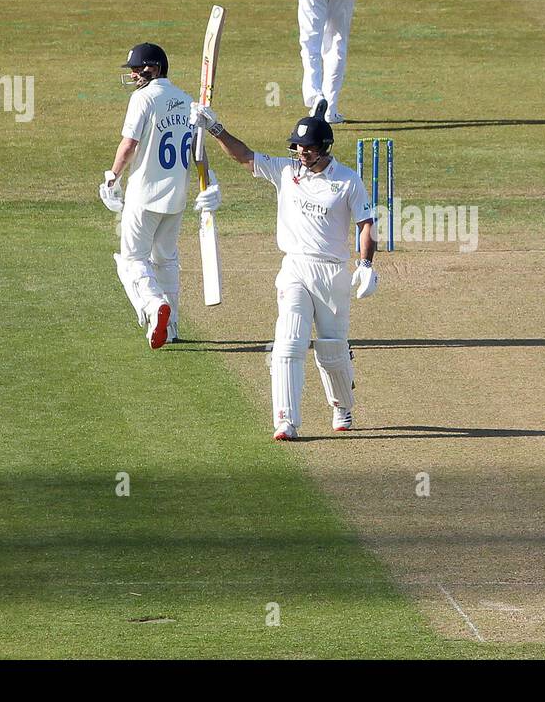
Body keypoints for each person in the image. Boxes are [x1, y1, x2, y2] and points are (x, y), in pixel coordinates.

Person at [193, 100, 378, 441]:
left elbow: (366, 223)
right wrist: (214, 128)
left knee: (332, 350)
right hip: (294, 267)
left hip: (332, 272)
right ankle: (286, 420)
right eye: (298, 147)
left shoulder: (348, 181)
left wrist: (366, 264)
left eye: (308, 149)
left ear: (325, 149)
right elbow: (245, 156)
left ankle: (342, 404)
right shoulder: (285, 171)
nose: (301, 153)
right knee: (288, 342)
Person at [99, 43, 220, 349]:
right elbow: (198, 150)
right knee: (165, 260)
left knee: (132, 260)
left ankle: (154, 307)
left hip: (144, 196)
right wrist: (209, 184)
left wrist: (112, 178)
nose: (133, 76)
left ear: (153, 68)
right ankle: (173, 325)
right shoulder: (186, 101)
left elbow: (128, 145)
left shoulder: (143, 99)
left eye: (137, 69)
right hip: (176, 198)